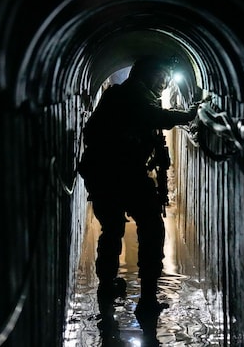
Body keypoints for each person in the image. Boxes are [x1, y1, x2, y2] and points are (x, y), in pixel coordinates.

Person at [78, 56, 198, 337]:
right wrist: (189, 115)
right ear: (148, 75)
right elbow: (154, 117)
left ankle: (110, 287)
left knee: (113, 230)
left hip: (110, 173)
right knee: (150, 230)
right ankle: (145, 298)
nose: (165, 84)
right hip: (118, 172)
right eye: (163, 77)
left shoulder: (133, 95)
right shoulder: (131, 94)